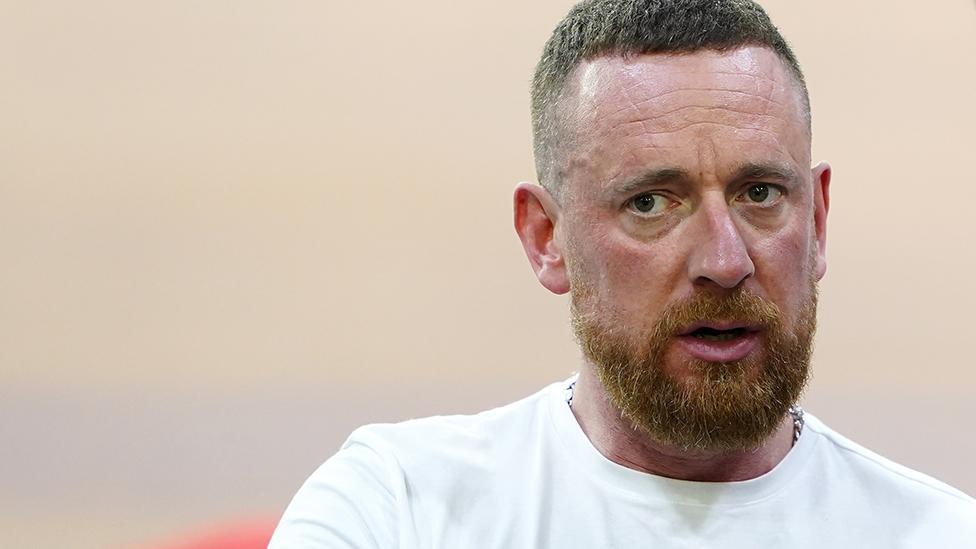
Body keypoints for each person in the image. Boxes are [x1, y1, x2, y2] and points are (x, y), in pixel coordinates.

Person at [269, 1, 976, 547]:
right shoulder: (400, 508)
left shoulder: (938, 534)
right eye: (650, 203)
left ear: (817, 220)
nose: (725, 262)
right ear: (548, 239)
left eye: (760, 193)